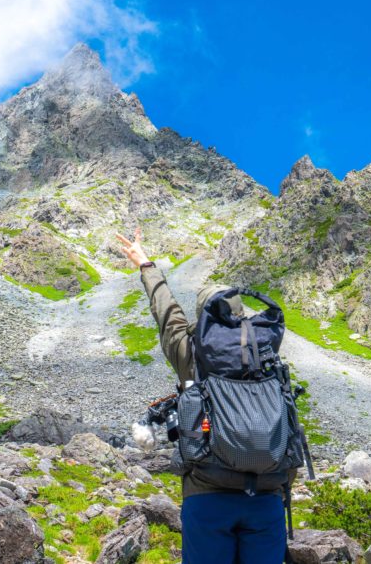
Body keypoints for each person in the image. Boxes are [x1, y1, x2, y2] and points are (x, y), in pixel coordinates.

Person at [116, 228, 288, 564]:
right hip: (266, 495)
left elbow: (167, 314)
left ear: (203, 315)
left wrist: (146, 265)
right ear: (242, 313)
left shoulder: (191, 351)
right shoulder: (265, 352)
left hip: (207, 494)